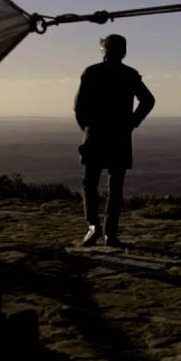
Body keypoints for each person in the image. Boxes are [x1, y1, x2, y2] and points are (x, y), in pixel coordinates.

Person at [74, 34, 155, 247]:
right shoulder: (130, 74)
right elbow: (148, 100)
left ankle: (93, 226)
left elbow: (78, 105)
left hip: (96, 135)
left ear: (105, 50)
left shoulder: (91, 72)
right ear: (124, 51)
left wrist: (86, 127)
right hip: (120, 136)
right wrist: (132, 122)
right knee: (115, 186)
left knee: (90, 183)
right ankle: (110, 233)